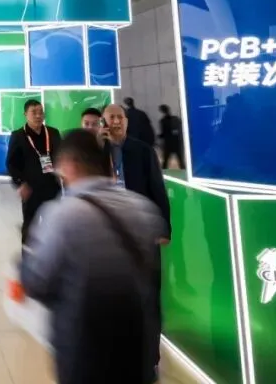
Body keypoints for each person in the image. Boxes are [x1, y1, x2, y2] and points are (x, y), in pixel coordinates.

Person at [21, 128, 164, 384]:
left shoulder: (62, 214)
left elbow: (38, 282)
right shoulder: (142, 208)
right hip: (137, 347)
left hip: (85, 350)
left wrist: (21, 266)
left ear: (70, 164)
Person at [101, 103, 171, 382]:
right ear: (104, 121)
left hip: (142, 234)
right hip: (109, 234)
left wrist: (163, 227)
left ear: (127, 121)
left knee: (148, 297)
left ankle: (150, 357)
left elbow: (157, 189)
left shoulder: (142, 151)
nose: (116, 121)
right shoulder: (97, 152)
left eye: (120, 117)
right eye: (111, 117)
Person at [5, 99, 63, 244]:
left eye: (41, 112)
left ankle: (52, 255)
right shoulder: (18, 136)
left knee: (55, 226)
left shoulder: (53, 133)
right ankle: (28, 255)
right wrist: (20, 184)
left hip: (52, 187)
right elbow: (11, 164)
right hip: (31, 190)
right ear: (25, 114)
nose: (38, 116)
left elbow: (62, 156)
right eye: (34, 112)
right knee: (30, 227)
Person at [158, 104, 185, 170]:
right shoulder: (176, 119)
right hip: (176, 142)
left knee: (166, 161)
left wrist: (160, 136)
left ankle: (163, 173)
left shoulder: (163, 121)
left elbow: (164, 133)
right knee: (180, 160)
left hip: (168, 143)